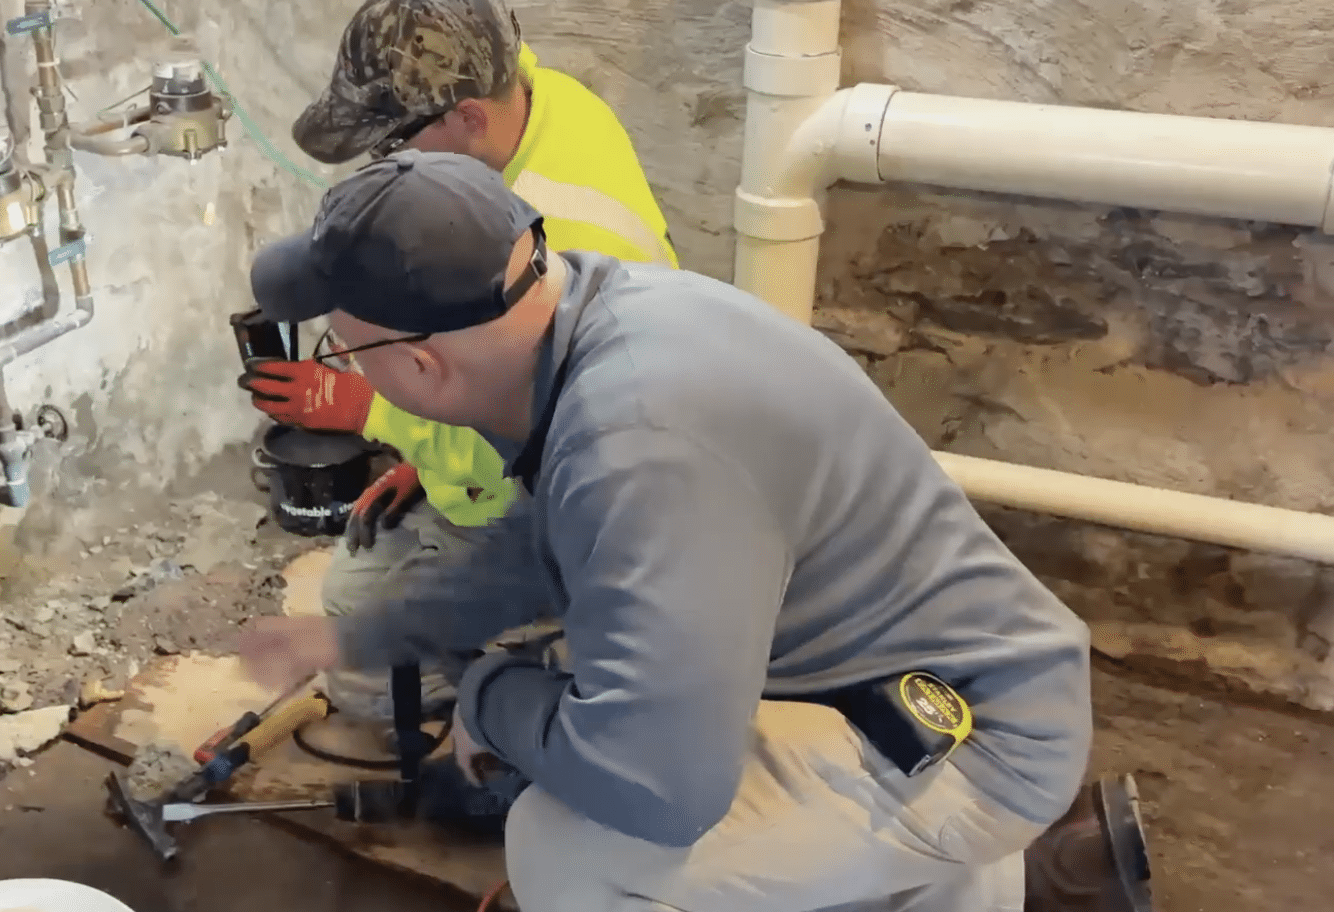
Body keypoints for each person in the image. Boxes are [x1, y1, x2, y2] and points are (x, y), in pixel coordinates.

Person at [237, 150, 1156, 912]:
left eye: (341, 350)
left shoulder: (636, 443)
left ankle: (973, 870)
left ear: (423, 368)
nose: (341, 368)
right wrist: (358, 633)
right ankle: (942, 883)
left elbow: (658, 786)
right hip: (934, 678)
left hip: (964, 737)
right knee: (581, 696)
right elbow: (538, 547)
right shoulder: (604, 315)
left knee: (562, 849)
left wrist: (489, 703)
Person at [240, 0, 678, 723]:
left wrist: (364, 410)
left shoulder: (545, 242)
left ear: (469, 116)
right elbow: (496, 391)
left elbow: (514, 444)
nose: (390, 161)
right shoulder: (547, 102)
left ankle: (535, 684)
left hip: (559, 498)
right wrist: (420, 457)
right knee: (351, 596)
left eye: (397, 141)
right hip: (560, 447)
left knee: (367, 686)